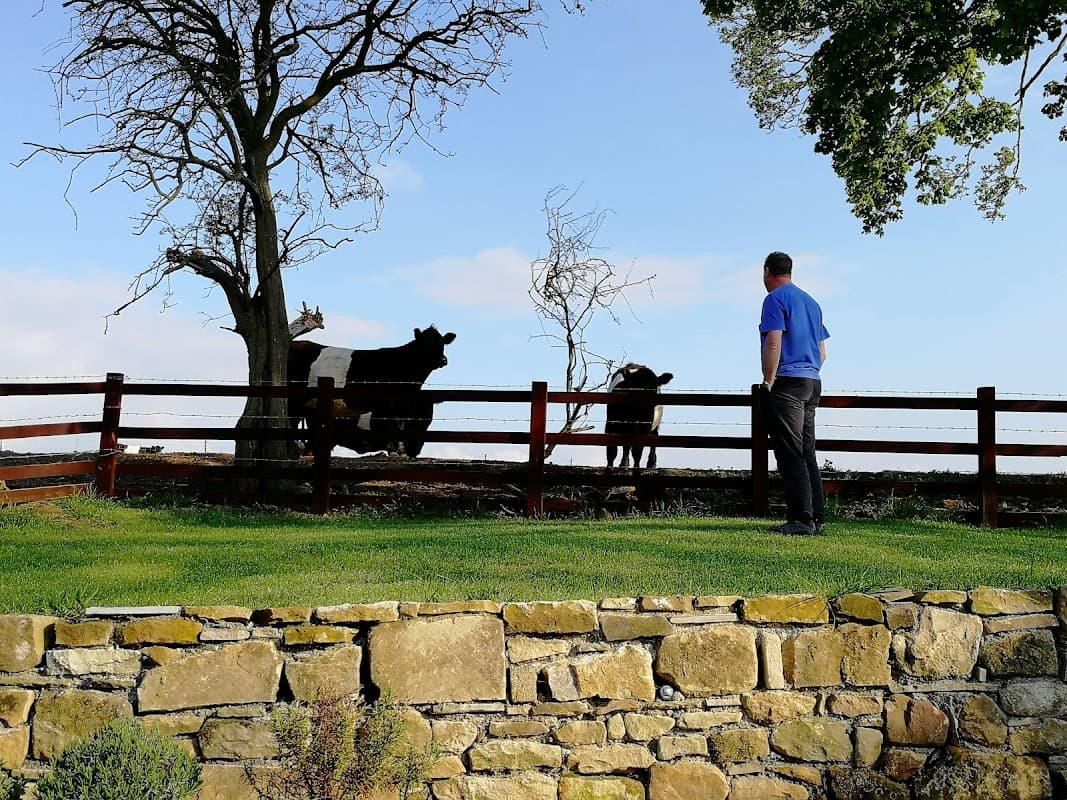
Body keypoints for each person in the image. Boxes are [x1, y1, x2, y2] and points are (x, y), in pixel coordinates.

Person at [758, 251, 830, 536]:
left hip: (788, 382)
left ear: (767, 272)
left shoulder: (774, 300)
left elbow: (774, 343)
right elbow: (823, 352)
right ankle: (817, 518)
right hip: (812, 382)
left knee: (790, 452)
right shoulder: (812, 303)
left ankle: (801, 519)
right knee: (807, 451)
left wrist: (768, 380)